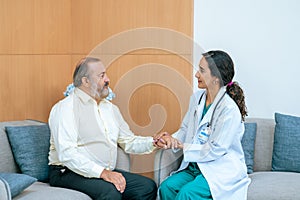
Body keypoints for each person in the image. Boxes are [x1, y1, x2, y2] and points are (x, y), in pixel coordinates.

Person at [48, 57, 157, 200]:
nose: (107, 79)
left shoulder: (110, 109)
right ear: (86, 81)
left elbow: (128, 141)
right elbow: (67, 154)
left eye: (106, 74)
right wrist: (103, 173)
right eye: (101, 75)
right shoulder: (65, 109)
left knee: (146, 187)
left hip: (102, 171)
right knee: (110, 192)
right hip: (67, 172)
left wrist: (153, 142)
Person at [153, 50, 250, 200]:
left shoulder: (228, 110)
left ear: (216, 78)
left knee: (187, 194)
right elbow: (185, 129)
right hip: (195, 167)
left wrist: (182, 146)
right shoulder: (197, 98)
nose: (196, 75)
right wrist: (170, 140)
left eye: (202, 71)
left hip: (218, 169)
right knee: (167, 187)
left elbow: (215, 150)